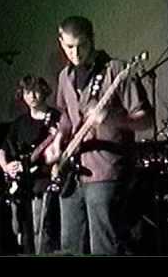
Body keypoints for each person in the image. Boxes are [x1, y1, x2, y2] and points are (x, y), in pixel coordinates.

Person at [45, 16, 152, 255]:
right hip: (72, 173)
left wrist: (112, 117)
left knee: (104, 246)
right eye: (69, 46)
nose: (75, 53)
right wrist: (57, 142)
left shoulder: (116, 70)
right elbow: (65, 117)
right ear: (60, 41)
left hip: (106, 172)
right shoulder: (64, 77)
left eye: (81, 45)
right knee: (69, 247)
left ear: (92, 40)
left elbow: (146, 119)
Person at [0, 75, 61, 254]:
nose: (31, 96)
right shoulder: (19, 123)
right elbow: (2, 151)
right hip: (22, 187)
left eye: (35, 91)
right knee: (23, 233)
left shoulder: (55, 117)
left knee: (44, 233)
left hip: (46, 183)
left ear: (44, 91)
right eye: (27, 92)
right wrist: (7, 167)